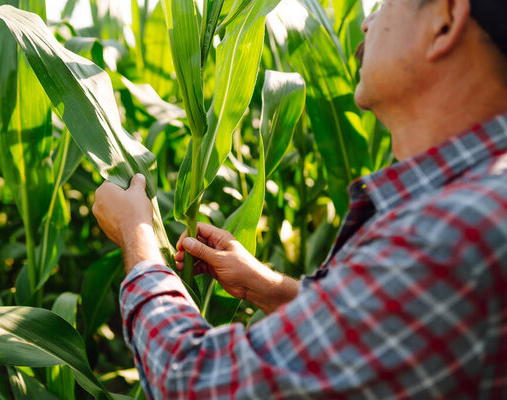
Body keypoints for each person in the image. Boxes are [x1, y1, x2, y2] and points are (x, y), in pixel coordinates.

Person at [92, 0, 507, 398]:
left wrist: (138, 236)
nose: (366, 22)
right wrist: (268, 288)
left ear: (445, 20)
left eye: (387, 4)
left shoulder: (453, 229)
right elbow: (385, 333)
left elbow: (197, 385)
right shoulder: (477, 205)